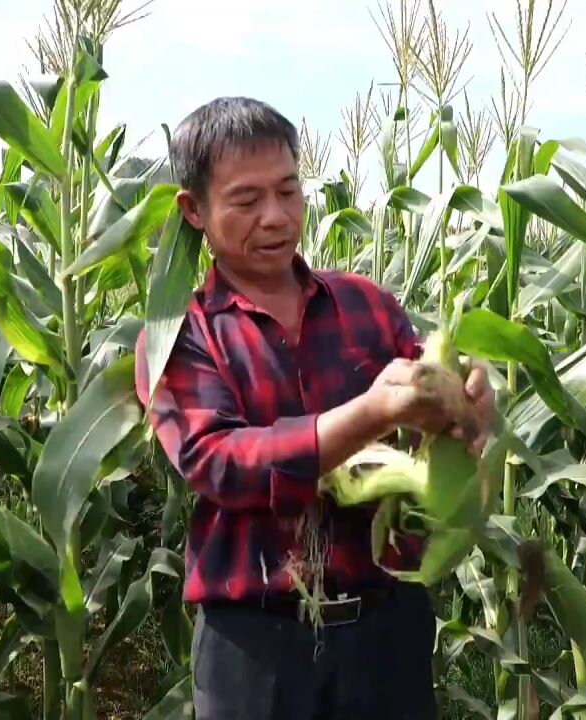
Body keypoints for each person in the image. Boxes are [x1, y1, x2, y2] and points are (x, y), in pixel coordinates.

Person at [134, 96, 494, 720]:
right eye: (246, 202)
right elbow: (220, 462)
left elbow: (434, 415)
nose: (275, 217)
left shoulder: (368, 307)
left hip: (386, 632)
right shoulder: (180, 336)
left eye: (288, 191)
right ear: (194, 210)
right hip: (256, 646)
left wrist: (469, 402)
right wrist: (372, 413)